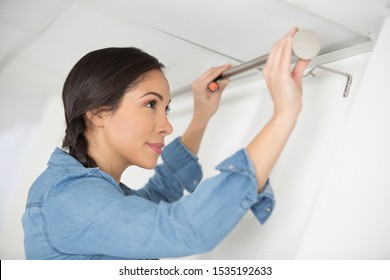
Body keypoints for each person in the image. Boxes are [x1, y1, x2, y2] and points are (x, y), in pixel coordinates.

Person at [22, 28, 310, 259]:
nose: (167, 126)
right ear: (97, 112)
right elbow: (185, 229)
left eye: (166, 109)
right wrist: (285, 114)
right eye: (150, 104)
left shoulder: (93, 194)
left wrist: (200, 118)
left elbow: (159, 194)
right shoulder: (69, 197)